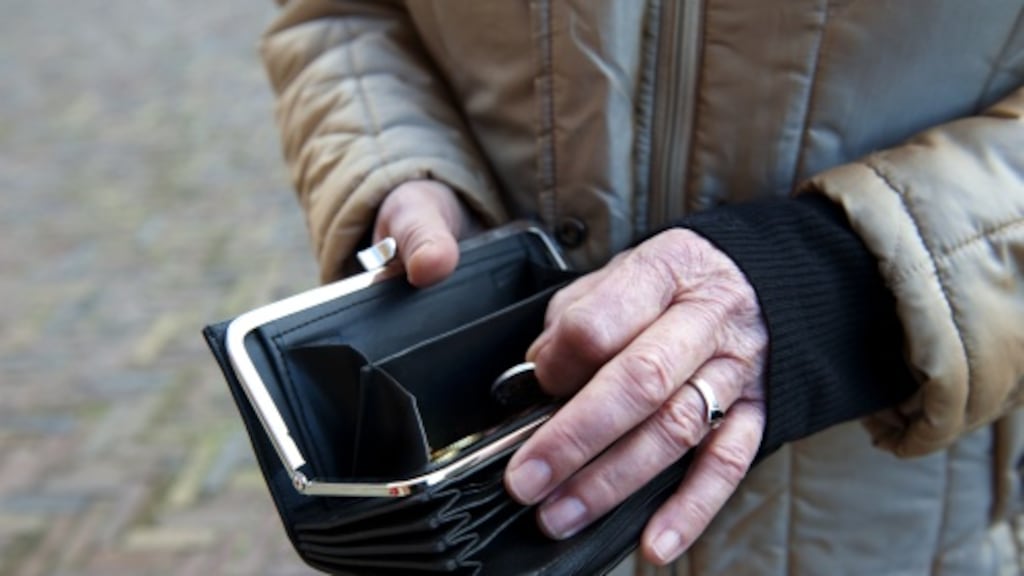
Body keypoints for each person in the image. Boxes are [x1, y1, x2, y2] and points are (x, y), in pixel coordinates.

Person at [260, 1, 1024, 573]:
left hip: (881, 515)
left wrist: (831, 285)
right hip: (487, 505)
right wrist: (400, 163)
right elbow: (338, 12)